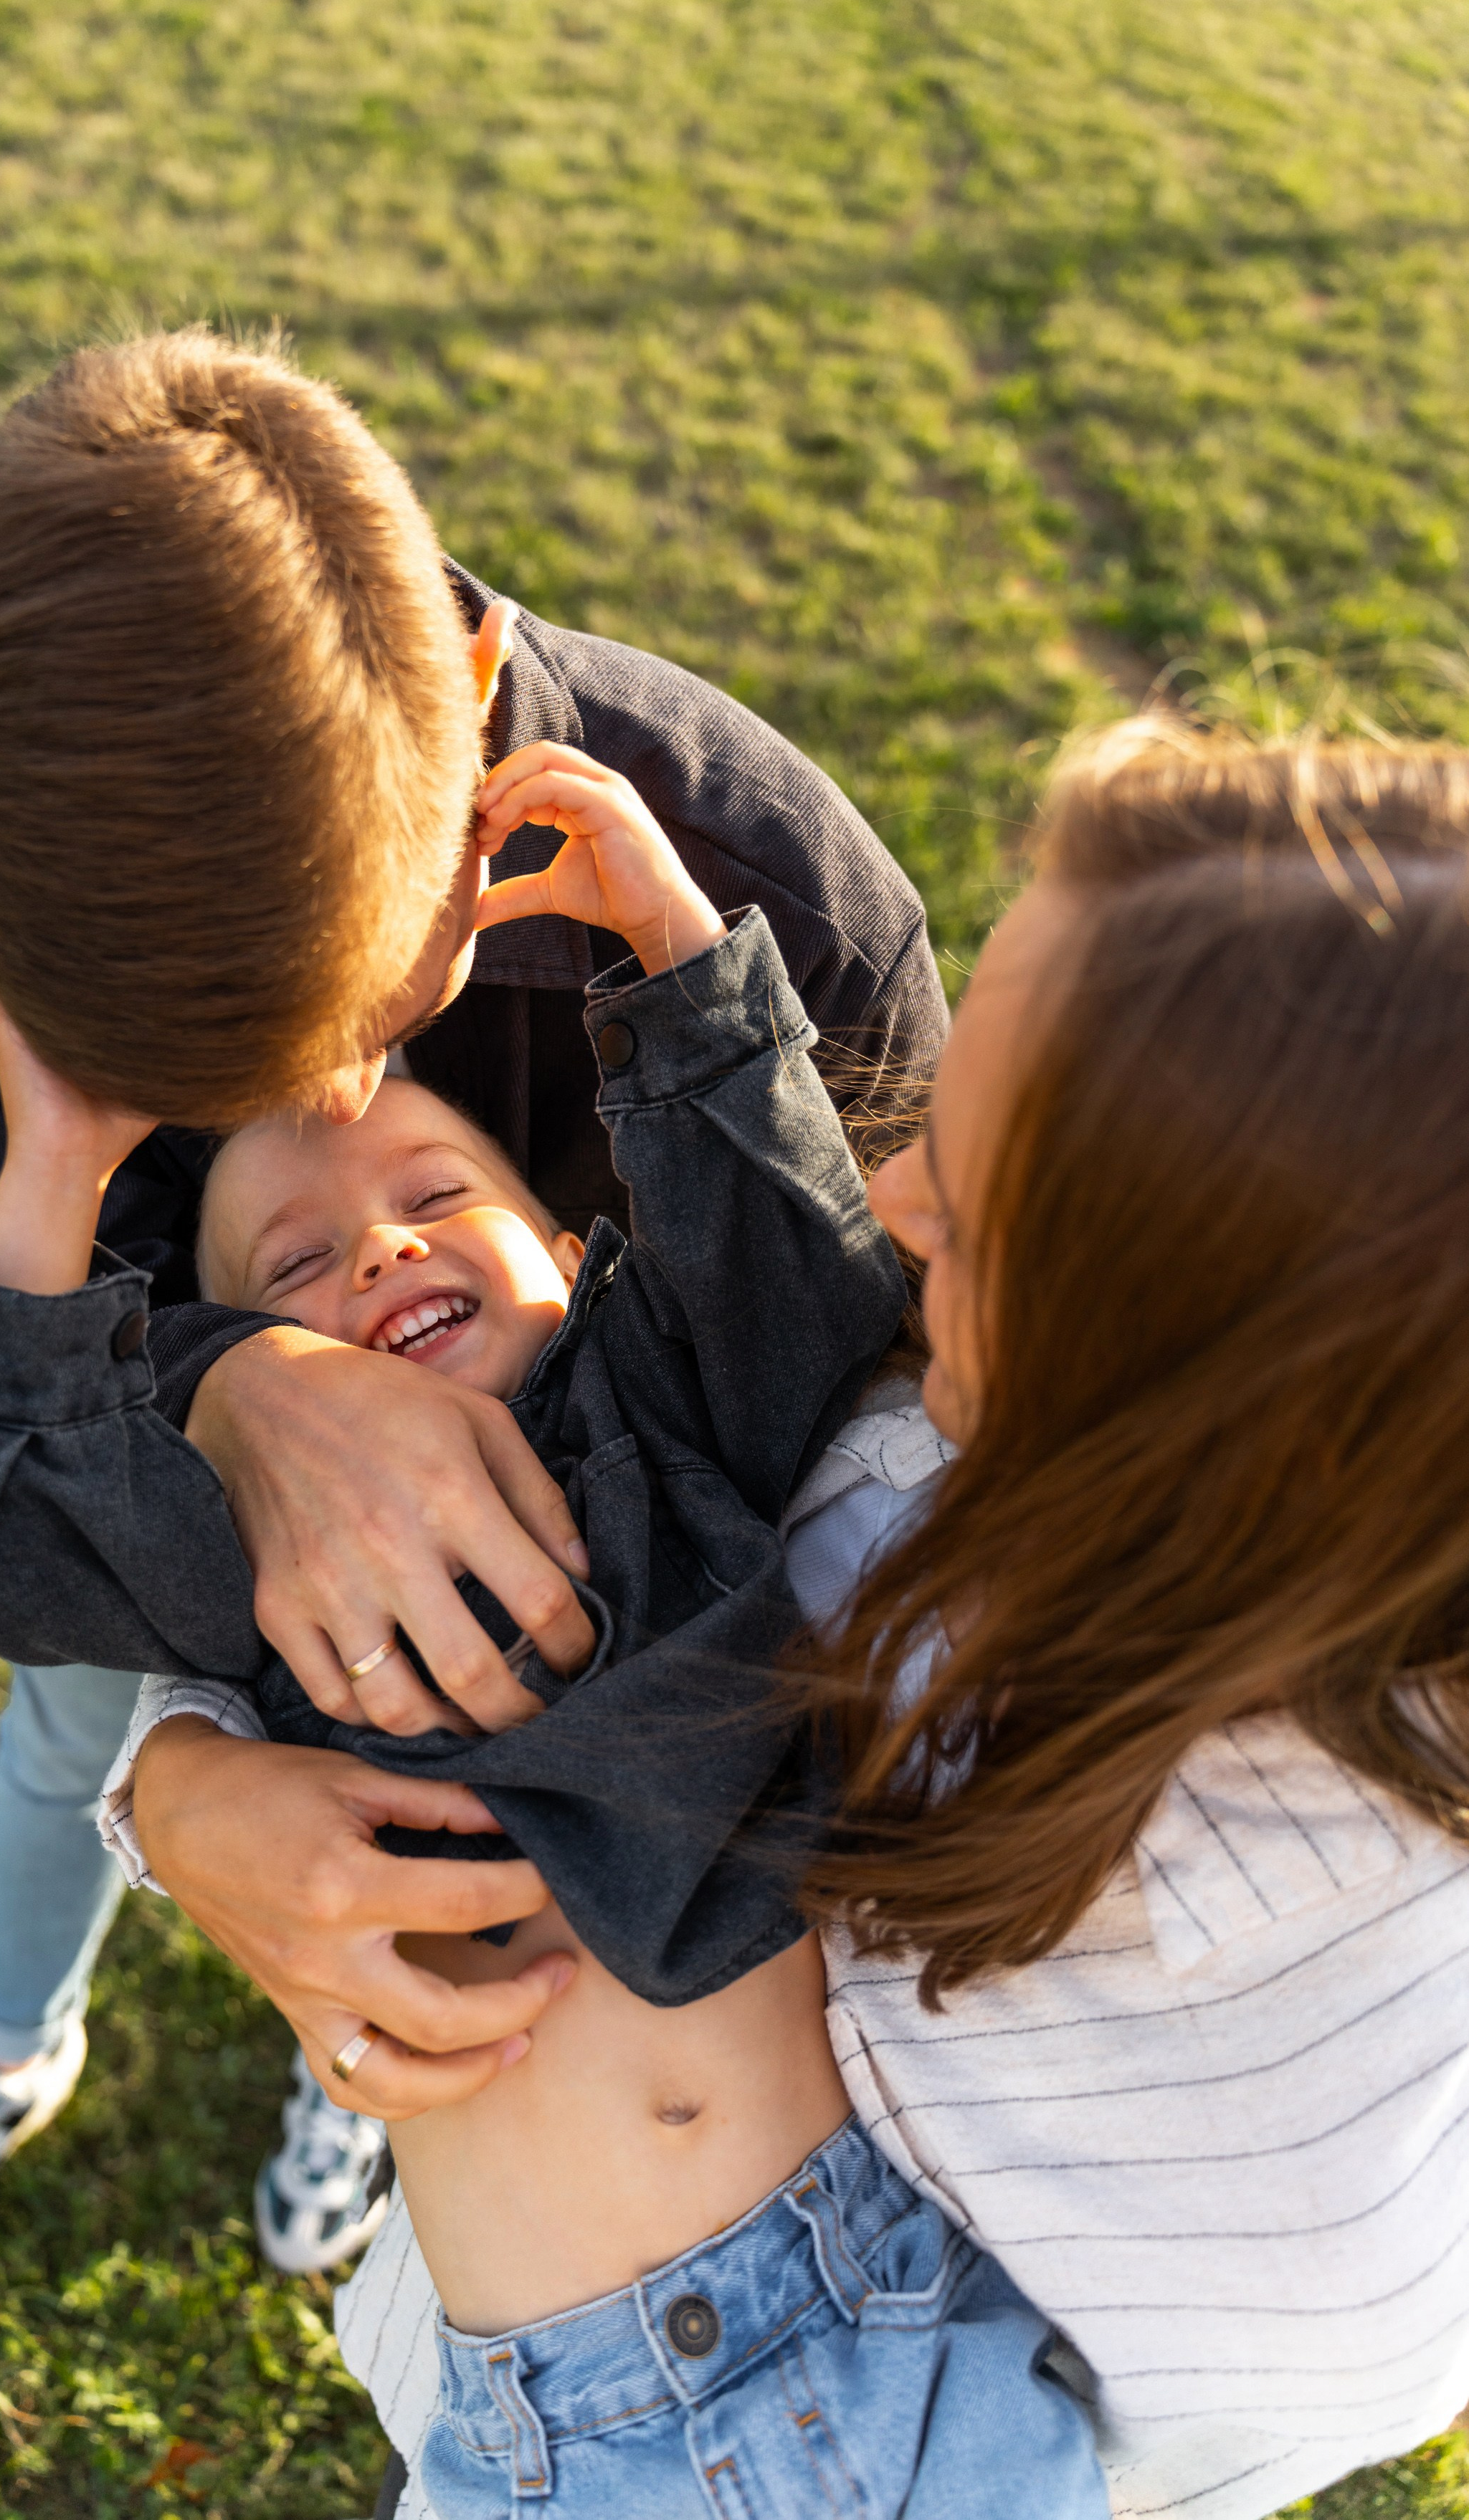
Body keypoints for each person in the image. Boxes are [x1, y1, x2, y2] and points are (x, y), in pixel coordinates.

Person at [0, 327, 946, 2314]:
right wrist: (228, 1424)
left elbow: (874, 1378)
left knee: (443, 1923)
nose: (326, 1109)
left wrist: (694, 1004)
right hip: (162, 1512)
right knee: (68, 1711)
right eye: (194, 1086)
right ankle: (4, 2046)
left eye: (372, 1020)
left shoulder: (779, 898)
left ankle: (381, 2015)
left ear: (477, 704)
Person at [0, 748, 1106, 2520]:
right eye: (290, 1268)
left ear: (564, 1239)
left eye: (436, 1197)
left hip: (901, 2323)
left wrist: (671, 941)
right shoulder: (263, 1564)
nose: (377, 1250)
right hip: (554, 2441)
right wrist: (56, 1162)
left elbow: (802, 1262)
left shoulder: (673, 1397)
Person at [336, 718, 1469, 2520]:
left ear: (1202, 1390)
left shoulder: (1308, 2116)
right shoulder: (935, 1434)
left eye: (983, 1202)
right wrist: (177, 1782)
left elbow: (1260, 2409)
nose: (891, 1197)